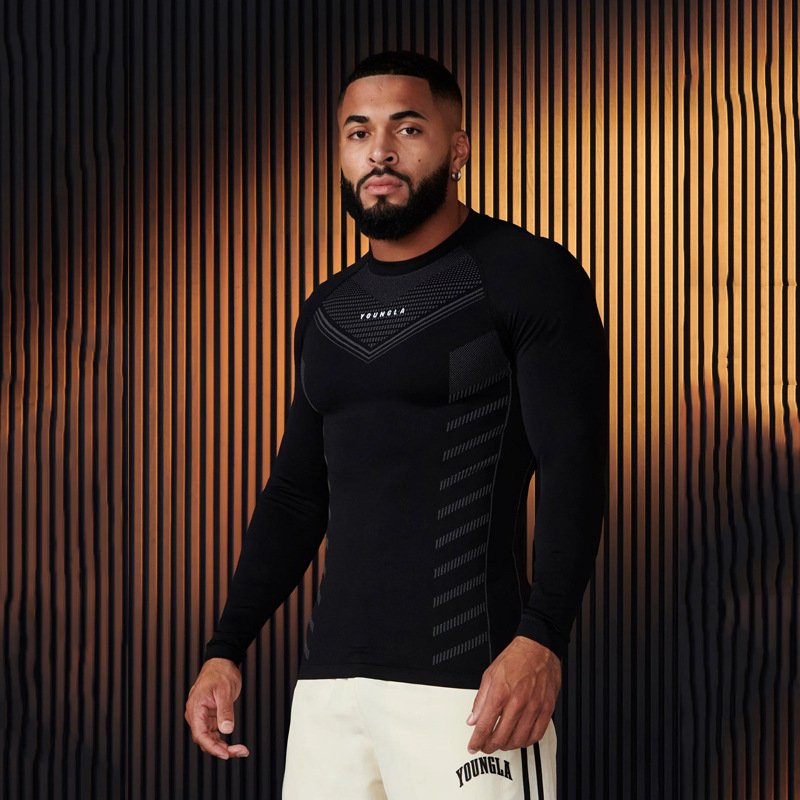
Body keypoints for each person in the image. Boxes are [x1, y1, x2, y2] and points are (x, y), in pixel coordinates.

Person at [185, 50, 608, 799]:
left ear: (458, 149)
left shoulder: (526, 275)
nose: (379, 151)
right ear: (340, 154)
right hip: (330, 694)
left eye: (407, 128)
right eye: (358, 133)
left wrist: (541, 636)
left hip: (471, 688)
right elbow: (295, 495)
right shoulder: (328, 310)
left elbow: (573, 466)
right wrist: (227, 647)